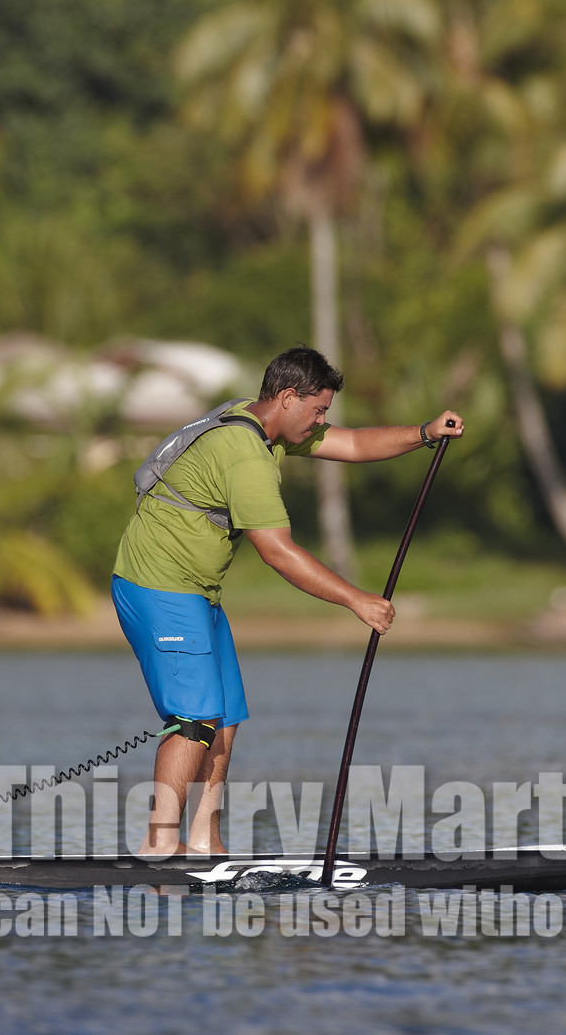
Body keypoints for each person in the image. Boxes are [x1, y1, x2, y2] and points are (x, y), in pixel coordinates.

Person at [113, 345, 464, 855]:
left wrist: (424, 434)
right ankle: (160, 842)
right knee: (194, 717)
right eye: (317, 409)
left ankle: (206, 841)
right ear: (287, 397)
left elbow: (352, 444)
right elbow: (278, 552)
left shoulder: (262, 424)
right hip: (158, 587)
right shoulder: (245, 454)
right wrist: (357, 600)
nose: (322, 420)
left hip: (197, 593)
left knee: (224, 717)